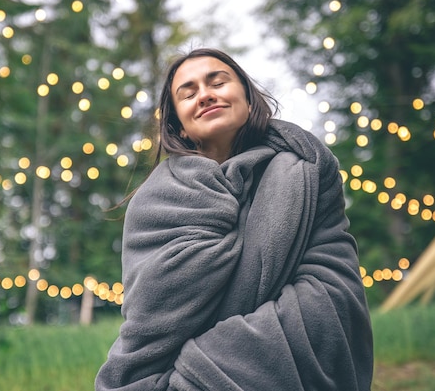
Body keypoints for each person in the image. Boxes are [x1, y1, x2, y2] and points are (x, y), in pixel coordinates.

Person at [94, 48, 374, 391]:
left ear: (249, 99)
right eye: (189, 92)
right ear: (178, 124)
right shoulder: (154, 203)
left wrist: (205, 369)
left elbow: (331, 287)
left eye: (217, 82)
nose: (205, 95)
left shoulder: (306, 172)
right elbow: (150, 321)